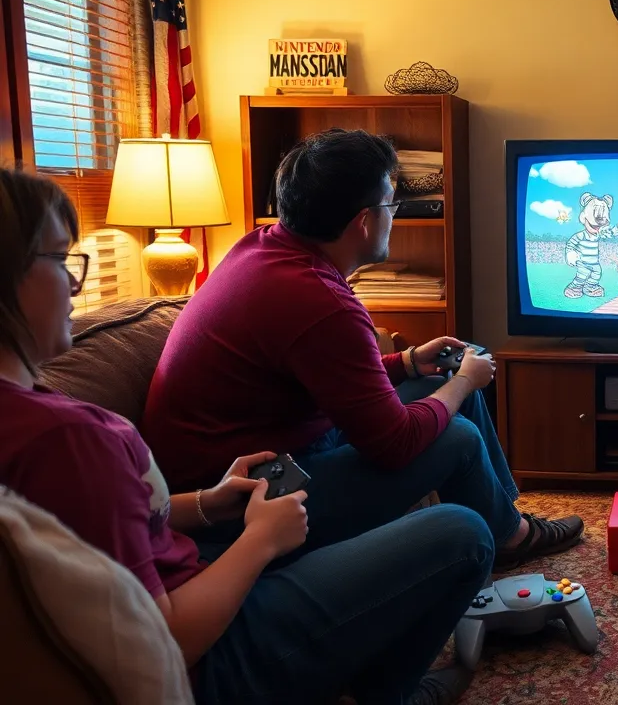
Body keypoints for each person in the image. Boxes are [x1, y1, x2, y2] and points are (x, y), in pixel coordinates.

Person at [0, 168, 487, 704]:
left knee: (442, 397)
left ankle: (506, 527)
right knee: (461, 528)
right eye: (60, 260)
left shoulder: (32, 416)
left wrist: (208, 503)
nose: (76, 284)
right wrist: (260, 541)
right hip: (214, 654)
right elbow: (165, 645)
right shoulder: (66, 440)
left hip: (206, 544)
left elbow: (104, 524)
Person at [140, 129, 580, 572]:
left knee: (448, 369)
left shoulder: (263, 246)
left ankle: (505, 524)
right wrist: (466, 382)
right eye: (392, 205)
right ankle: (511, 536)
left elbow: (331, 375)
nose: (395, 216)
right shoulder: (318, 300)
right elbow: (395, 444)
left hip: (273, 454)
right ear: (364, 221)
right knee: (458, 424)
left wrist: (407, 362)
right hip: (243, 497)